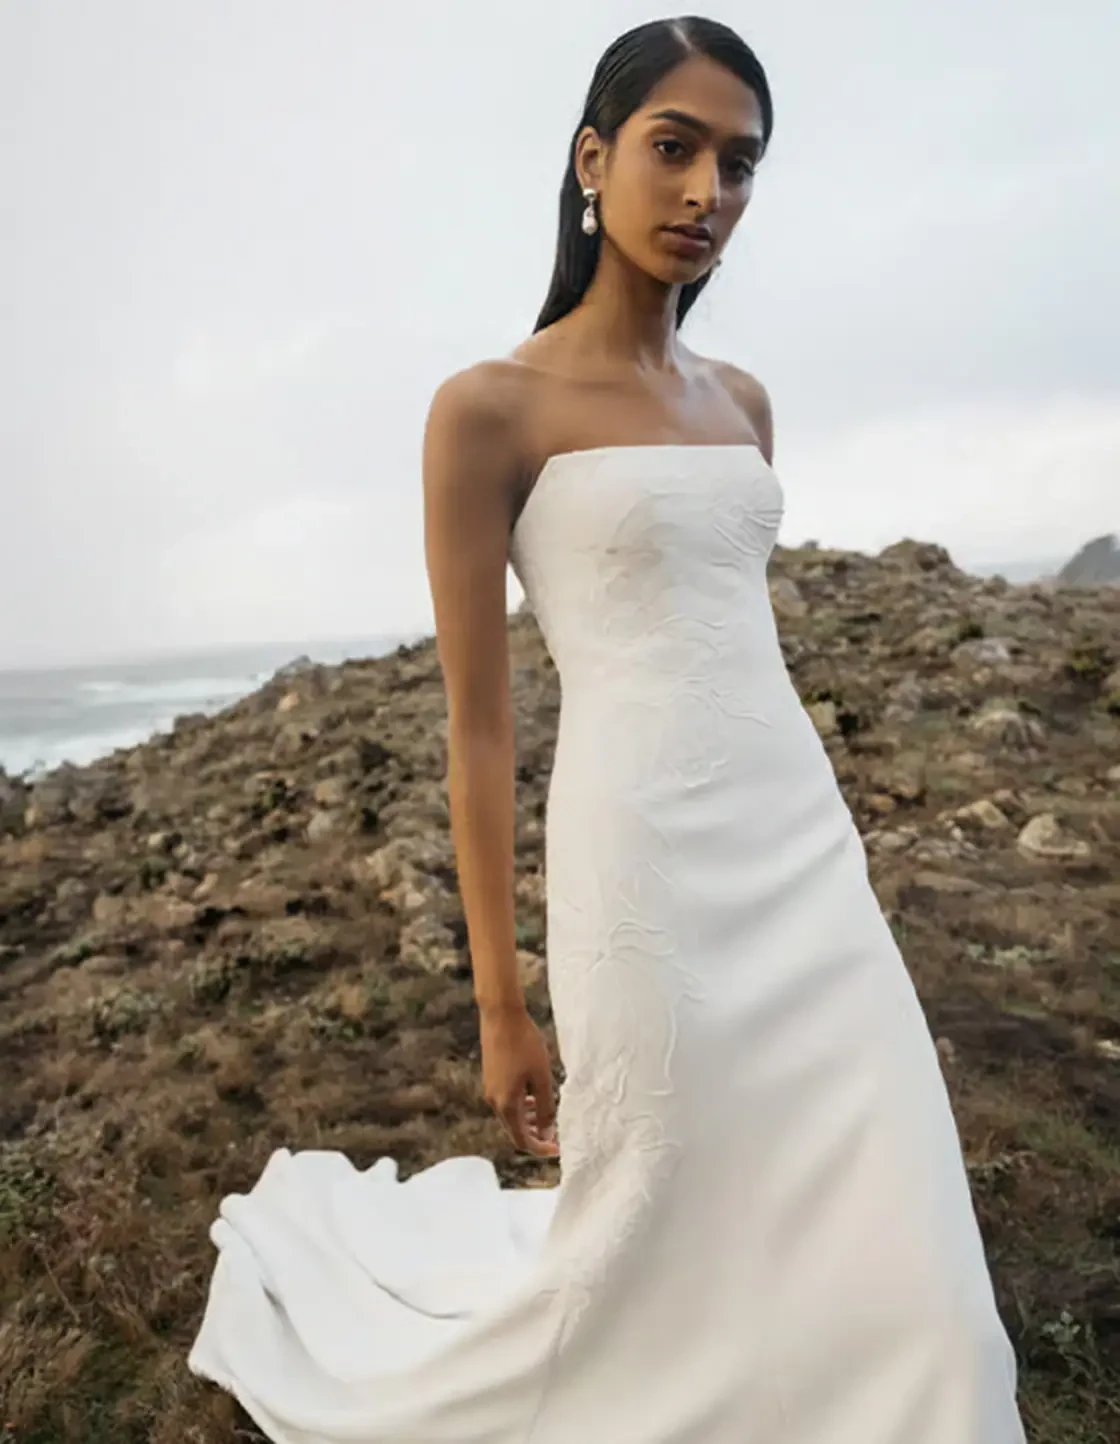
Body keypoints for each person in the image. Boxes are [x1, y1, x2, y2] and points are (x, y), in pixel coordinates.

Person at [189, 17, 1027, 1442]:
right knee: (655, 1210)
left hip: (800, 852)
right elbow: (477, 734)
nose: (709, 190)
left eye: (741, 164)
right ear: (593, 159)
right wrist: (501, 1006)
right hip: (640, 863)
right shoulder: (487, 411)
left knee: (908, 1241)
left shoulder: (743, 404)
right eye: (674, 146)